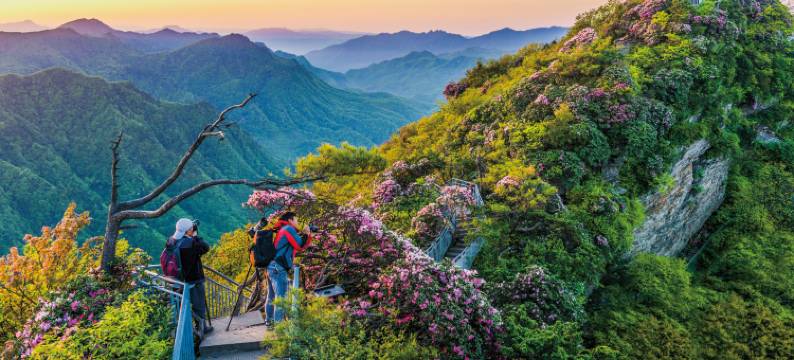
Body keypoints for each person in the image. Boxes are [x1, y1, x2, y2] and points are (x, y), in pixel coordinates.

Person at [167, 218, 213, 338]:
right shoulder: (191, 243)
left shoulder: (171, 241)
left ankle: (187, 332)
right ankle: (201, 330)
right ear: (188, 231)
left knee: (182, 307)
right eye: (191, 229)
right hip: (193, 280)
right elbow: (206, 247)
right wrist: (196, 236)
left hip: (177, 280)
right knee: (199, 305)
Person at [266, 212, 312, 328]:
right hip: (278, 267)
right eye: (296, 219)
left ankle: (269, 321)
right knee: (281, 298)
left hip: (271, 266)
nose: (297, 222)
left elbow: (297, 244)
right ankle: (279, 327)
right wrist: (307, 233)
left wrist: (306, 235)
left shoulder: (283, 229)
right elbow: (300, 245)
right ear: (290, 220)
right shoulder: (288, 229)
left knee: (271, 296)